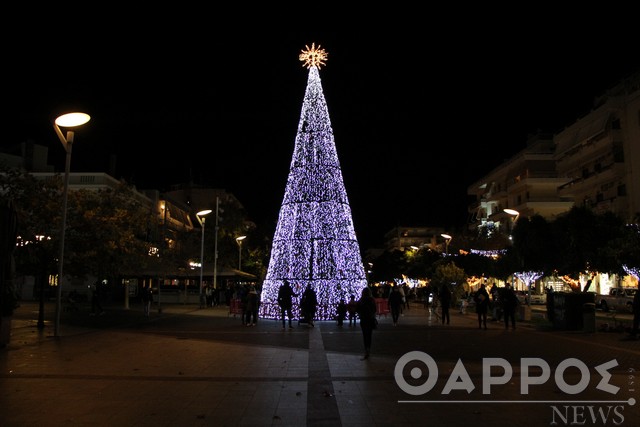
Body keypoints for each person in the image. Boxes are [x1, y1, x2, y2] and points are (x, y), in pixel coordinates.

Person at [356, 287, 377, 360]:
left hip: (363, 319)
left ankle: (366, 350)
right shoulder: (372, 300)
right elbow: (375, 309)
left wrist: (361, 314)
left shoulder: (361, 300)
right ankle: (369, 349)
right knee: (369, 335)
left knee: (365, 335)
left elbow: (357, 309)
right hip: (370, 319)